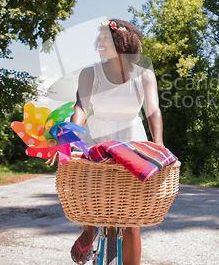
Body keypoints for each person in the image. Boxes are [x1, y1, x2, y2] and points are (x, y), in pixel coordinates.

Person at [51, 19, 164, 265]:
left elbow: (153, 110)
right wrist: (68, 138)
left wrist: (159, 144)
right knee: (94, 195)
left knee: (132, 220)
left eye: (105, 39)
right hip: (98, 136)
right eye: (99, 39)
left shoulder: (145, 75)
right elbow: (81, 108)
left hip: (133, 139)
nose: (99, 43)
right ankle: (89, 230)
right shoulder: (90, 73)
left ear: (123, 43)